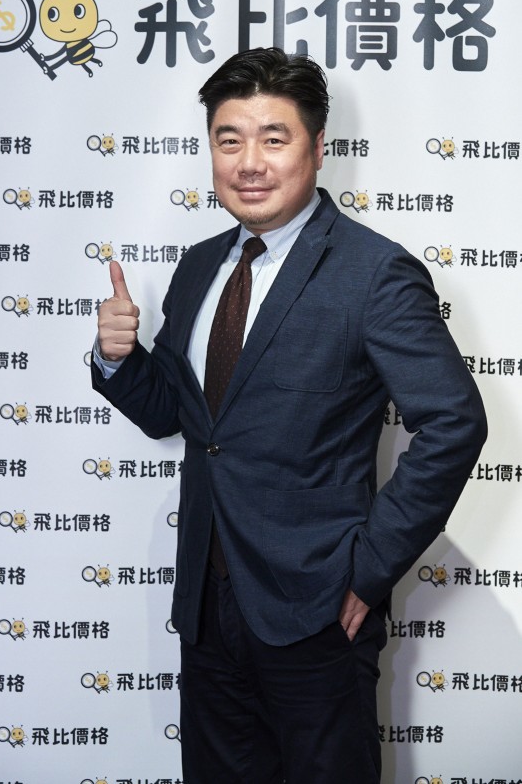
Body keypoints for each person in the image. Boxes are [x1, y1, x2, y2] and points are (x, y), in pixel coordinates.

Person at [92, 47, 487, 783]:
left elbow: (455, 422)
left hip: (319, 609)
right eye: (229, 139)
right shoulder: (198, 266)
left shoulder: (374, 273)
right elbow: (179, 417)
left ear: (318, 148)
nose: (249, 162)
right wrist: (119, 358)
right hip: (206, 607)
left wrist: (368, 570)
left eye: (274, 138)